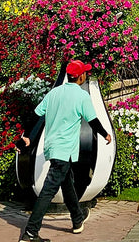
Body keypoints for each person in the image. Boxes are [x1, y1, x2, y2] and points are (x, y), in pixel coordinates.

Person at [18, 60, 112, 242]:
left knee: (67, 182)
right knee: (48, 191)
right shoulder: (82, 96)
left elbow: (35, 115)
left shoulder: (54, 93)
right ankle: (30, 233)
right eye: (85, 73)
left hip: (52, 148)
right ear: (81, 76)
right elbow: (92, 121)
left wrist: (27, 136)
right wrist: (105, 135)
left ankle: (77, 219)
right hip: (65, 150)